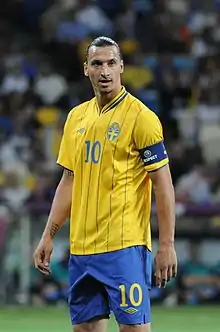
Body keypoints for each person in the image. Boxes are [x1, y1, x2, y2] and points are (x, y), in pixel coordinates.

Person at [33, 36, 177, 332]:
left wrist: (167, 245)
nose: (105, 71)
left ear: (122, 67)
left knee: (134, 329)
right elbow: (69, 180)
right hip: (82, 249)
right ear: (86, 69)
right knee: (84, 329)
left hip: (124, 246)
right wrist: (49, 234)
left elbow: (163, 185)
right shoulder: (76, 117)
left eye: (111, 63)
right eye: (97, 64)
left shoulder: (141, 118)